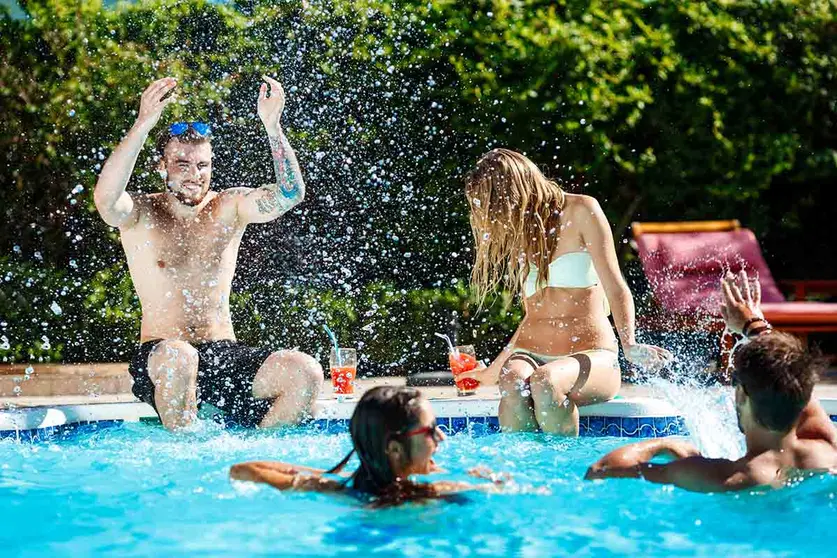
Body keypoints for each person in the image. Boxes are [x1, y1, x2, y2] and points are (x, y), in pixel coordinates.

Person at [94, 76, 322, 430]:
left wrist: (273, 127)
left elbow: (290, 194)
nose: (194, 174)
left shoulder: (228, 206)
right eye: (182, 164)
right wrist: (142, 125)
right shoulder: (141, 213)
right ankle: (186, 467)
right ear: (162, 166)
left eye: (202, 165)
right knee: (181, 358)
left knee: (305, 372)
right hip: (163, 353)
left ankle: (255, 461)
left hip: (223, 353)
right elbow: (106, 200)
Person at [457, 148, 672, 434]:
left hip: (591, 355)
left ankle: (564, 468)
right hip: (530, 352)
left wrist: (629, 343)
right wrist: (488, 374)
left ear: (516, 189)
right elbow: (532, 318)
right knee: (511, 383)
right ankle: (526, 471)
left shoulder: (582, 210)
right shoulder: (522, 233)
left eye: (496, 205)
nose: (495, 217)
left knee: (545, 382)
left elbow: (615, 285)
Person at [585, 271, 837, 491]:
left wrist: (665, 444)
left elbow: (601, 469)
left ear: (740, 396)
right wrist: (753, 324)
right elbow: (791, 374)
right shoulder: (828, 451)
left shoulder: (724, 476)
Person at [230, 386, 507, 507]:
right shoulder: (437, 492)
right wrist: (493, 482)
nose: (441, 438)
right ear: (396, 449)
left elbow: (244, 469)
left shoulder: (343, 490)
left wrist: (328, 475)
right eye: (431, 430)